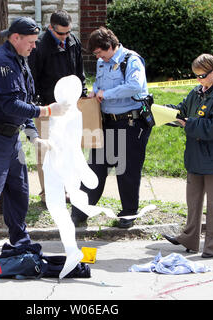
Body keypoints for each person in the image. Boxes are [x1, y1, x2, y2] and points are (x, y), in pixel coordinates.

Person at [0, 17, 68, 277]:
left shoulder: (19, 60)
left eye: (34, 42)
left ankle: (20, 242)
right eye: (29, 42)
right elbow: (10, 105)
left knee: (19, 192)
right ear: (14, 38)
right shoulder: (1, 65)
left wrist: (31, 134)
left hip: (10, 138)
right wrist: (47, 110)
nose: (34, 47)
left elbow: (23, 100)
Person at [70, 27, 152, 229]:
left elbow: (134, 86)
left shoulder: (131, 60)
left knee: (127, 170)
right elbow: (98, 84)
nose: (98, 57)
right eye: (96, 54)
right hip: (106, 122)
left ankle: (128, 213)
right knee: (95, 166)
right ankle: (81, 210)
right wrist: (95, 92)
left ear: (111, 46)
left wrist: (106, 94)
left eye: (100, 52)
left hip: (130, 123)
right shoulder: (101, 63)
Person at [162, 54, 213, 258]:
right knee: (193, 200)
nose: (198, 80)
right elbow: (182, 110)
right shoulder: (197, 92)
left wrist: (190, 124)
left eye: (202, 75)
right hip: (196, 155)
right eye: (195, 76)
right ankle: (189, 238)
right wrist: (160, 112)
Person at [28, 9, 87, 204]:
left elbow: (80, 71)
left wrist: (82, 93)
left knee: (67, 149)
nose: (65, 36)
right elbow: (32, 77)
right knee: (46, 152)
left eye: (68, 32)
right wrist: (37, 105)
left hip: (69, 106)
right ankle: (48, 193)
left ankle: (66, 188)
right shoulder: (38, 46)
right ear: (50, 28)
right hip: (46, 106)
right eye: (61, 33)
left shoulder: (73, 41)